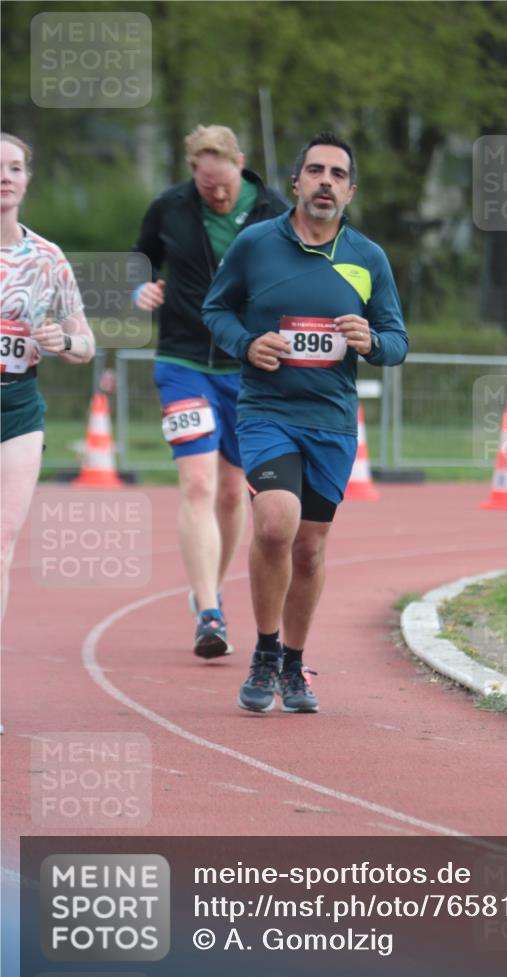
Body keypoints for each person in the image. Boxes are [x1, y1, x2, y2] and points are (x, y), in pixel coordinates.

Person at [203, 131, 408, 714]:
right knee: (274, 524)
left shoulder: (368, 259)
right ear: (296, 183)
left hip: (332, 421)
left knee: (310, 550)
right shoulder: (255, 245)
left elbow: (397, 340)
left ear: (350, 190)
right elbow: (216, 308)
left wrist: (372, 341)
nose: (325, 181)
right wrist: (247, 343)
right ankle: (265, 653)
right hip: (267, 410)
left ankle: (294, 663)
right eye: (315, 171)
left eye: (337, 174)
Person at [132, 125, 288, 659]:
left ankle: (209, 590)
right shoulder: (169, 207)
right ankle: (209, 610)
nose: (216, 196)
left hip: (247, 365)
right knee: (197, 483)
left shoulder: (273, 209)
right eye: (206, 186)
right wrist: (141, 287)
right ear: (192, 172)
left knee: (230, 490)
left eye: (223, 186)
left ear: (240, 165)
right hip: (182, 360)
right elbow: (142, 259)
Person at [1, 133, 95, 735]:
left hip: (17, 409)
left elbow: (85, 340)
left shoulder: (47, 258)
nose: (4, 177)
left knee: (2, 544)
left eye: (13, 168)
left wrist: (67, 344)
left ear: (27, 179)